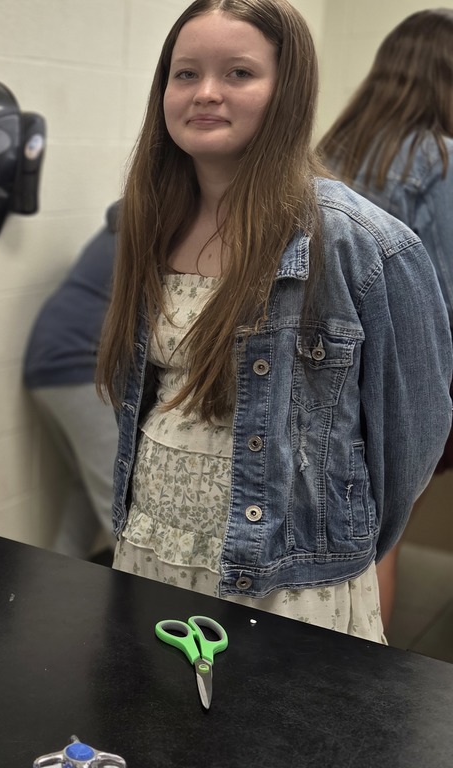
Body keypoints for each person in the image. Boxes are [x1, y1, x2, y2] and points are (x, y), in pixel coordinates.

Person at [95, 0, 452, 641]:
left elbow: (413, 433)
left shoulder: (355, 242)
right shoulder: (145, 218)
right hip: (151, 543)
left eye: (238, 73)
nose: (206, 93)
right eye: (185, 74)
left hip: (284, 575)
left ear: (286, 91)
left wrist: (337, 544)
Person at [317, 8, 453, 629]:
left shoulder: (327, 151)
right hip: (406, 368)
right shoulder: (442, 160)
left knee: (352, 522)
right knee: (385, 528)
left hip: (323, 363)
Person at [23, 202, 120, 559]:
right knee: (120, 505)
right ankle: (153, 605)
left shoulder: (141, 215)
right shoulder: (155, 222)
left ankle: (57, 597)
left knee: (90, 484)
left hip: (56, 359)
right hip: (75, 363)